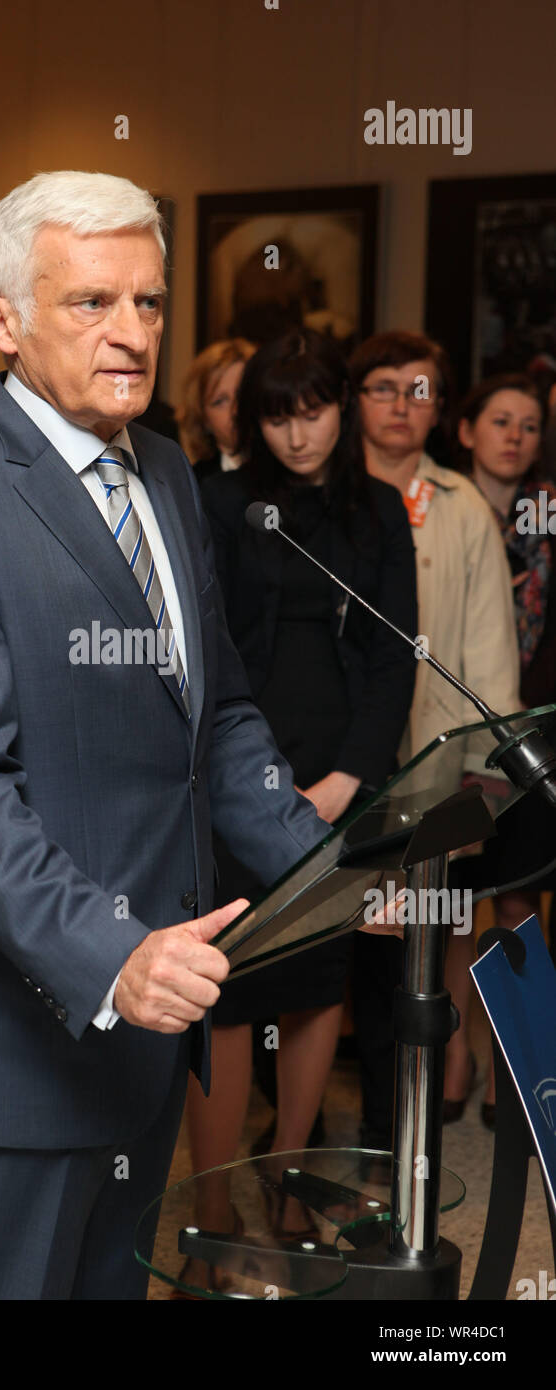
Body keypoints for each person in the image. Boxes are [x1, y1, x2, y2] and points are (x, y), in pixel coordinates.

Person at [0, 170, 329, 1300]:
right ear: (3, 322)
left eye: (150, 303)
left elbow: (208, 713)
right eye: (91, 304)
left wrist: (328, 862)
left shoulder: (161, 469)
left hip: (152, 1022)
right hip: (20, 1032)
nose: (131, 335)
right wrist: (110, 955)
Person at [183, 329, 416, 1282]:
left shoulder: (379, 513)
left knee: (319, 986)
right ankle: (209, 1212)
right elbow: (204, 649)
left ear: (344, 404)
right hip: (238, 773)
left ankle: (284, 1187)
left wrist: (350, 778)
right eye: (276, 416)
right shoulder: (220, 501)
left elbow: (395, 652)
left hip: (341, 769)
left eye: (313, 410)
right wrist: (261, 790)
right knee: (229, 992)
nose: (298, 434)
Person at [350, 331, 521, 1134]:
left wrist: (483, 783)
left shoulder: (464, 509)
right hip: (338, 769)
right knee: (333, 965)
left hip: (435, 769)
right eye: (383, 386)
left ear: (439, 411)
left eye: (419, 389)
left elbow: (492, 657)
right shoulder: (328, 498)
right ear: (357, 400)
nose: (400, 403)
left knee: (416, 951)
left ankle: (401, 1136)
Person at [452, 372, 556, 1125]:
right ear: (467, 430)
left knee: (518, 899)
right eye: (500, 420)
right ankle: (453, 1064)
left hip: (537, 734)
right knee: (456, 903)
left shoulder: (548, 517)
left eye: (528, 424)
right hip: (455, 731)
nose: (516, 435)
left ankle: (519, 1075)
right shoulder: (442, 508)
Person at [177, 339, 256, 484]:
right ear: (204, 420)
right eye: (220, 401)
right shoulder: (192, 486)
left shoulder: (297, 468)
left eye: (243, 394)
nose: (236, 410)